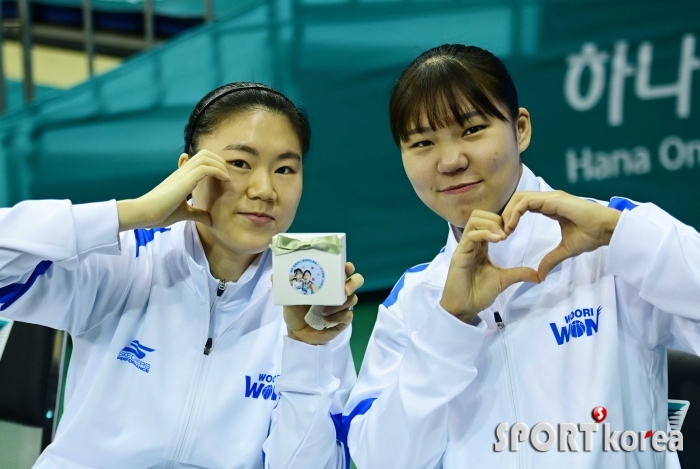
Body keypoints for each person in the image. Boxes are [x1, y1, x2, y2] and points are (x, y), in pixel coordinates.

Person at [343, 44, 699, 468]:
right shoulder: (414, 301)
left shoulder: (616, 237)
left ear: (521, 128)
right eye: (422, 143)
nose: (451, 160)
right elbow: (378, 460)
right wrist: (449, 326)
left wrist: (615, 235)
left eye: (472, 129)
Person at [0, 82, 363, 469]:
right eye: (240, 163)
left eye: (285, 169)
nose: (264, 189)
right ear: (187, 172)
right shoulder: (126, 256)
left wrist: (306, 349)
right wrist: (130, 213)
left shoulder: (309, 298)